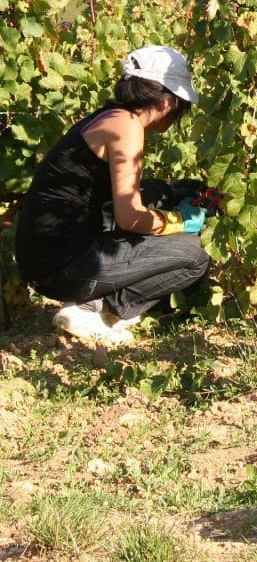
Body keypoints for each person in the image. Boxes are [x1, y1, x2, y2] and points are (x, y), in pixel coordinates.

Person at [14, 45, 210, 346]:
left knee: (157, 190)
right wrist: (178, 222)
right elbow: (130, 217)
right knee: (194, 255)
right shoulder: (127, 128)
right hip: (60, 266)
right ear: (168, 101)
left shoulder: (111, 116)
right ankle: (94, 310)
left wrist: (169, 199)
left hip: (44, 256)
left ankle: (92, 303)